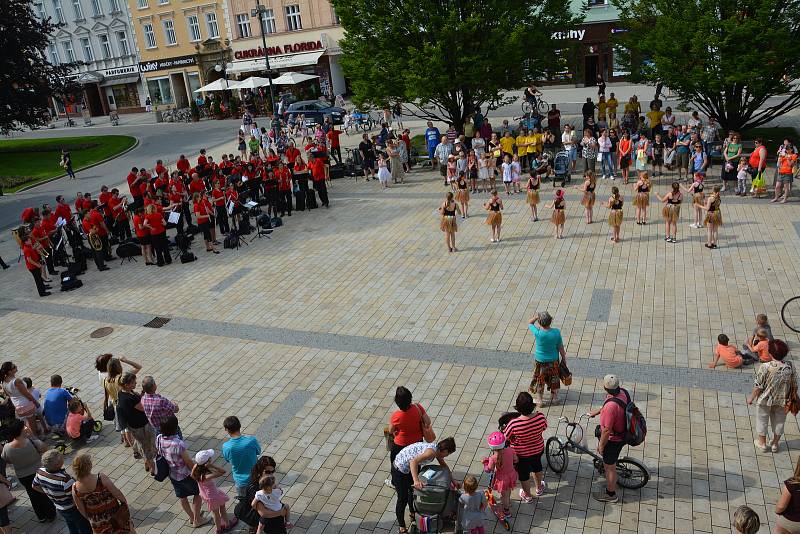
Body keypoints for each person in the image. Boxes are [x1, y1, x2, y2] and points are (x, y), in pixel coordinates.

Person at [392, 438, 456, 534]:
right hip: (399, 469)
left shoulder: (437, 451)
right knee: (402, 499)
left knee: (411, 491)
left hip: (408, 469)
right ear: (445, 450)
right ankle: (402, 527)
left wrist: (453, 481)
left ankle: (412, 513)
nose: (447, 456)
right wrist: (416, 480)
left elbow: (444, 467)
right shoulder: (431, 452)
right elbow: (413, 462)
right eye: (448, 453)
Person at [157, 415, 209, 527]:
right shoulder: (178, 444)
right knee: (198, 493)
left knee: (182, 497)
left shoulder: (159, 438)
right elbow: (188, 462)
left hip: (172, 474)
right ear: (175, 427)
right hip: (185, 475)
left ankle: (191, 517)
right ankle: (197, 519)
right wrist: (198, 472)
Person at [1, 418, 57, 522]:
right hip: (38, 472)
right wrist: (32, 435)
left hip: (23, 476)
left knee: (32, 495)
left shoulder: (7, 448)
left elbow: (6, 460)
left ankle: (41, 516)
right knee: (43, 493)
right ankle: (51, 514)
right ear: (21, 430)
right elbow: (44, 448)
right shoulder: (31, 441)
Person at [586, 374, 630, 503]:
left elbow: (606, 431)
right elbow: (613, 404)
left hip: (614, 439)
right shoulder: (623, 392)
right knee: (611, 461)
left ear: (605, 387)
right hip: (623, 432)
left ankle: (611, 495)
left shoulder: (610, 408)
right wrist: (598, 411)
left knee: (609, 467)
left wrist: (601, 446)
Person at [747, 339, 793, 453]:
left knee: (762, 419)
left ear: (770, 353)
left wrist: (751, 398)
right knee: (779, 421)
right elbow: (793, 383)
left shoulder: (765, 366)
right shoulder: (789, 366)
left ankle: (762, 444)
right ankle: (775, 444)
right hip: (782, 400)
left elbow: (759, 385)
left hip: (765, 399)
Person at [33, 450, 93, 534]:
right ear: (58, 464)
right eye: (61, 456)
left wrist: (49, 493)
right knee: (84, 528)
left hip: (60, 507)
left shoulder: (40, 472)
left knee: (71, 525)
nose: (62, 456)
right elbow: (75, 500)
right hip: (72, 509)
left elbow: (34, 486)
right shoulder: (65, 480)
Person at [71, 454, 134, 533]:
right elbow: (116, 492)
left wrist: (92, 519)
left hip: (98, 524)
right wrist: (124, 504)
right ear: (88, 466)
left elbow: (80, 509)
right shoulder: (101, 478)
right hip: (115, 516)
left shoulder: (75, 488)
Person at [503, 392, 547, 504]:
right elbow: (544, 427)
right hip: (537, 449)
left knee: (524, 475)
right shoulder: (540, 417)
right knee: (537, 467)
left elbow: (505, 437)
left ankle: (527, 495)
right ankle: (539, 488)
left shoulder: (514, 424)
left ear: (518, 408)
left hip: (521, 454)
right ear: (532, 406)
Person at [386, 387, 431, 486]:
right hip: (417, 443)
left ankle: (395, 482)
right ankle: (414, 481)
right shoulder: (418, 408)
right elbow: (427, 422)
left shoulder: (396, 416)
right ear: (410, 398)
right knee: (416, 462)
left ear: (397, 402)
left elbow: (390, 430)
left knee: (396, 463)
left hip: (401, 444)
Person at [116, 372, 156, 473]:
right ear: (126, 385)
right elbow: (143, 408)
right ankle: (152, 467)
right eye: (133, 383)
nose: (135, 384)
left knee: (142, 444)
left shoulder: (122, 392)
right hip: (141, 425)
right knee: (147, 445)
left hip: (133, 425)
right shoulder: (129, 398)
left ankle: (147, 462)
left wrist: (141, 394)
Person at [192, 449, 237, 533]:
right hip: (214, 496)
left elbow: (192, 476)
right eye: (210, 458)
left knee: (215, 513)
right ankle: (227, 525)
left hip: (206, 495)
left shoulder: (195, 468)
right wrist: (212, 466)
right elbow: (223, 472)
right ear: (207, 462)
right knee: (221, 508)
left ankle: (218, 530)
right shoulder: (206, 476)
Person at [527, 312, 566, 405]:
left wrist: (536, 317)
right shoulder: (556, 332)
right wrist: (564, 358)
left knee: (540, 379)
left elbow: (529, 323)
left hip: (540, 361)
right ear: (551, 321)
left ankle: (540, 400)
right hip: (553, 361)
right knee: (554, 378)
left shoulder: (538, 333)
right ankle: (555, 398)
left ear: (540, 323)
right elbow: (560, 347)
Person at [103, 356, 141, 449]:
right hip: (125, 404)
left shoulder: (106, 380)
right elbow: (138, 367)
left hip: (115, 405)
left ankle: (126, 442)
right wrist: (126, 360)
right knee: (128, 428)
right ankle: (133, 447)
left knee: (123, 426)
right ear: (118, 367)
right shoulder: (121, 378)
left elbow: (107, 395)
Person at [222, 415, 262, 497]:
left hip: (241, 481)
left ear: (227, 430)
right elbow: (258, 451)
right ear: (239, 426)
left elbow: (227, 460)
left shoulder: (226, 446)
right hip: (255, 477)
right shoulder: (251, 440)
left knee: (244, 504)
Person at [1, 361, 41, 435]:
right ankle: (35, 441)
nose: (16, 366)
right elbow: (27, 394)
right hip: (26, 405)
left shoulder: (4, 382)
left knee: (24, 425)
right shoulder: (16, 381)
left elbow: (8, 395)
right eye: (14, 367)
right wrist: (36, 402)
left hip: (17, 407)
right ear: (9, 372)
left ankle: (29, 439)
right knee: (32, 426)